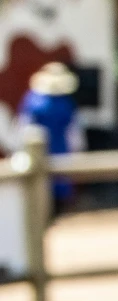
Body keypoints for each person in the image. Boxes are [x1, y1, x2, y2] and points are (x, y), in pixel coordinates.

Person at [18, 60, 81, 207]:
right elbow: (75, 136)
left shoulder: (32, 101)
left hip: (38, 156)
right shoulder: (66, 103)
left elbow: (22, 129)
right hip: (61, 156)